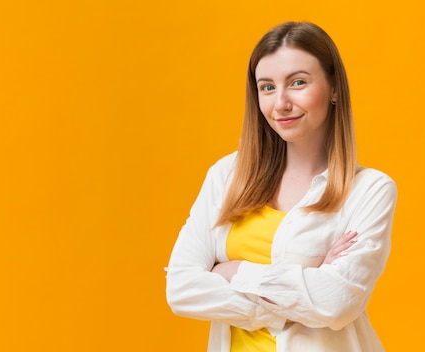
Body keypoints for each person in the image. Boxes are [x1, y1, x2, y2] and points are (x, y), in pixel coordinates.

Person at [165, 21, 397, 352]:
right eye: (267, 87)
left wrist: (235, 271)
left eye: (298, 83)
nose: (280, 104)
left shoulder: (370, 190)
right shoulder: (226, 176)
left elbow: (336, 302)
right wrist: (299, 288)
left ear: (333, 88)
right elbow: (181, 289)